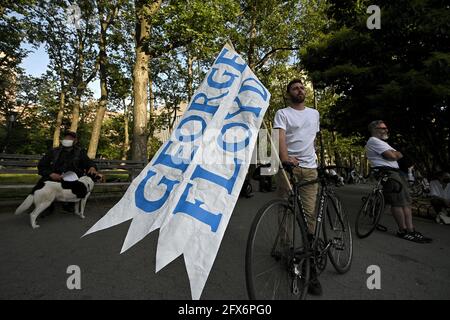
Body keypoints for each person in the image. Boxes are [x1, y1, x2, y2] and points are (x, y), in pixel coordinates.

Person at [273, 78, 322, 295]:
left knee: (309, 214)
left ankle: (308, 257)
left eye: (302, 87)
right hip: (288, 168)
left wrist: (317, 160)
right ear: (288, 93)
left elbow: (310, 139)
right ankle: (286, 249)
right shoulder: (282, 113)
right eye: (295, 88)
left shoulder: (314, 114)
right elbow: (279, 138)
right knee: (286, 210)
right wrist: (284, 158)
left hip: (310, 169)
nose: (300, 90)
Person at [365, 120, 432, 243]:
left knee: (405, 201)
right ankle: (403, 230)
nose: (386, 130)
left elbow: (395, 154)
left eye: (386, 128)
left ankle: (410, 230)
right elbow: (392, 156)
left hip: (395, 172)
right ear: (375, 129)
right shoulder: (373, 141)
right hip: (388, 172)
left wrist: (395, 153)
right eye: (383, 128)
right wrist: (396, 153)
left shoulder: (382, 142)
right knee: (397, 202)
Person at [35, 130, 100, 213]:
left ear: (75, 141)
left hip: (73, 177)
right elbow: (42, 165)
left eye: (71, 138)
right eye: (66, 137)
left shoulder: (80, 152)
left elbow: (88, 162)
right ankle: (47, 206)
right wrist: (50, 174)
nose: (67, 139)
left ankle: (69, 204)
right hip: (55, 175)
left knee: (79, 183)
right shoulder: (54, 151)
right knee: (45, 182)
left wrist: (92, 167)